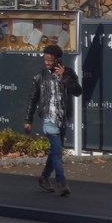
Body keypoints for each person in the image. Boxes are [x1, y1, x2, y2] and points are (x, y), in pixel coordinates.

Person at [24, 43, 82, 196]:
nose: (47, 63)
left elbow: (77, 91)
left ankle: (44, 178)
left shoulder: (68, 73)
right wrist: (28, 120)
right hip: (49, 119)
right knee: (57, 152)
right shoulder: (40, 77)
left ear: (58, 60)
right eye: (45, 60)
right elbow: (33, 99)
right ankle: (61, 182)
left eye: (50, 60)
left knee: (55, 151)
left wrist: (65, 78)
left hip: (62, 119)